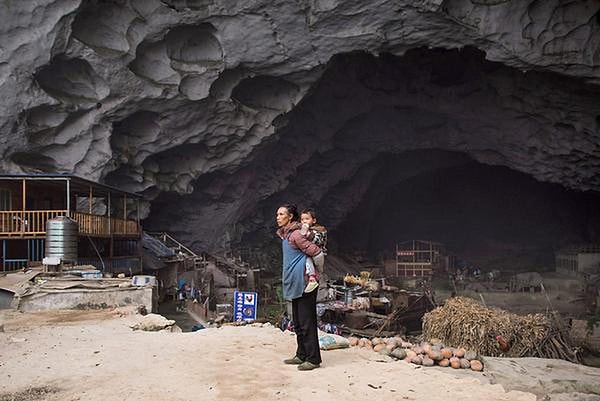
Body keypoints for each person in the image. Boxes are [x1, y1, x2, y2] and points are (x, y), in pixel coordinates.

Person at [276, 203, 323, 371]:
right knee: (297, 321)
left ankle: (313, 358)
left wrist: (317, 273)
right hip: (294, 283)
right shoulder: (286, 235)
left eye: (282, 214)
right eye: (277, 214)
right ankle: (301, 354)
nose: (278, 217)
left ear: (290, 217)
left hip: (305, 284)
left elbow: (317, 252)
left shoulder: (296, 234)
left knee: (306, 321)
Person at [299, 208, 327, 293]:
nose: (304, 221)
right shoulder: (300, 230)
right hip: (309, 254)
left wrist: (308, 234)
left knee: (319, 270)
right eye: (302, 219)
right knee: (307, 259)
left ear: (314, 220)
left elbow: (319, 241)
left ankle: (320, 281)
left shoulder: (320, 230)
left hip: (318, 254)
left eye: (307, 219)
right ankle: (312, 278)